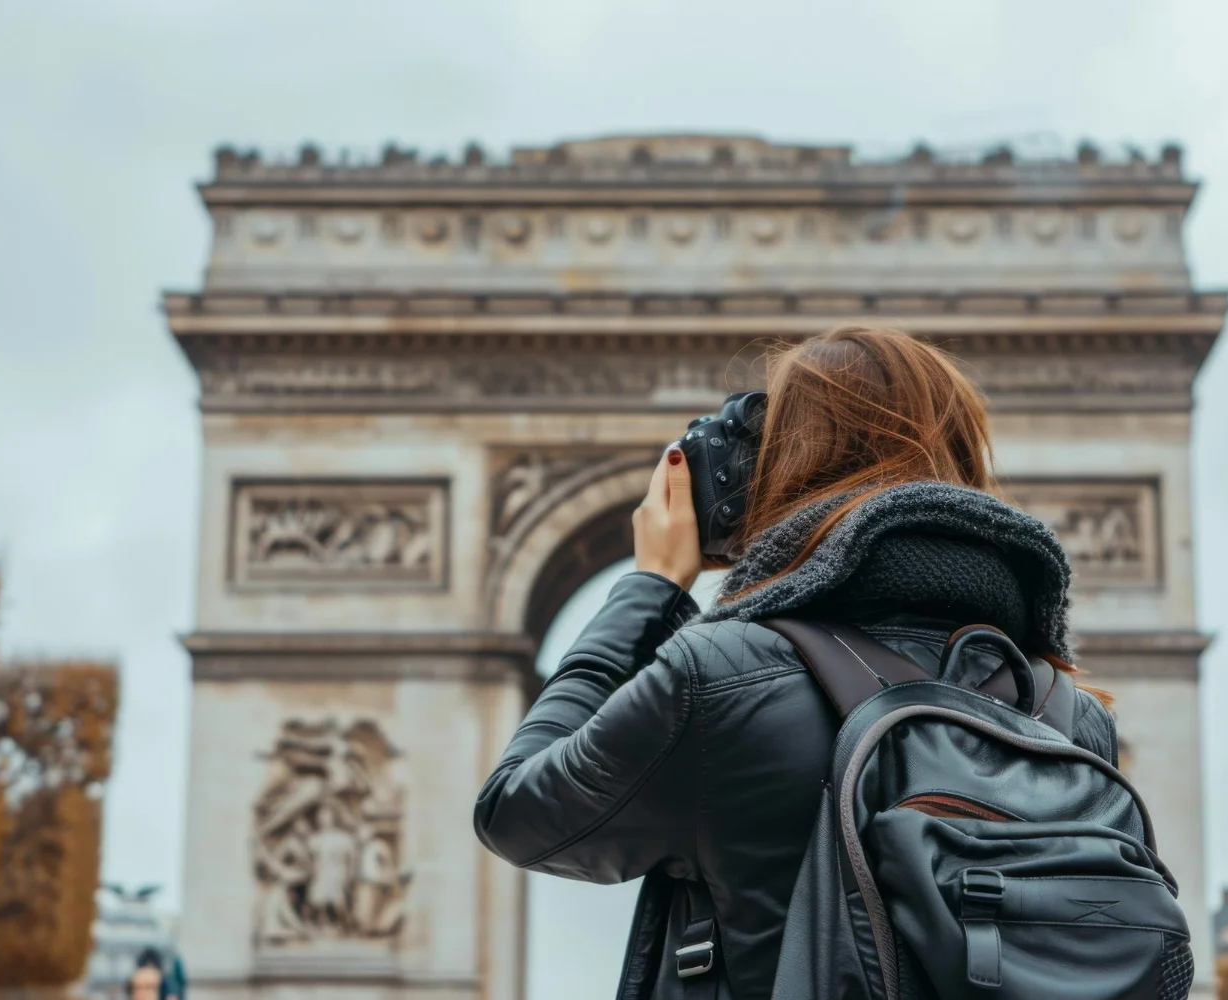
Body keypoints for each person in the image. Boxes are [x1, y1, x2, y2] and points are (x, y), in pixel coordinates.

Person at [473, 327, 1119, 1000]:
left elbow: (514, 811)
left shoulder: (721, 678)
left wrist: (653, 586)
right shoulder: (1070, 717)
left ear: (773, 468)